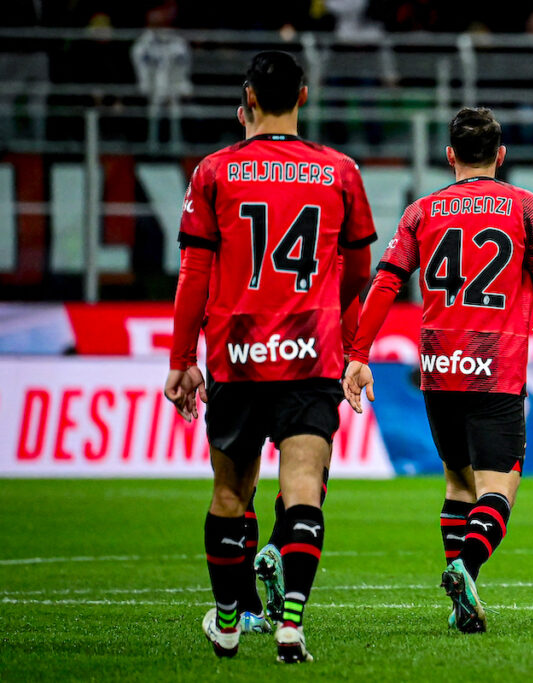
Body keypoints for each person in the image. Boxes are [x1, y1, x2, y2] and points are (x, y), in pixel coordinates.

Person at [163, 50, 376, 662]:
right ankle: (290, 625)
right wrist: (337, 329)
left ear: (249, 99)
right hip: (310, 355)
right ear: (303, 97)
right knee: (305, 487)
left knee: (231, 495)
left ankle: (229, 623)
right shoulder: (339, 171)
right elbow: (357, 270)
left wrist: (182, 359)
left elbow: (194, 274)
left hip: (237, 356)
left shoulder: (214, 172)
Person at [342, 107, 533, 633]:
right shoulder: (523, 205)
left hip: (440, 365)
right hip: (496, 364)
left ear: (449, 157)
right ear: (501, 156)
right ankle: (464, 569)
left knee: (455, 478)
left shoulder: (422, 211)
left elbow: (385, 283)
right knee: (501, 484)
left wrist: (359, 352)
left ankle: (459, 594)